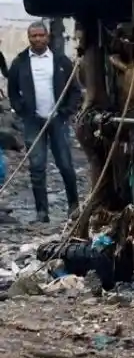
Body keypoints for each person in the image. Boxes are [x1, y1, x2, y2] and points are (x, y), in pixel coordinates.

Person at [6, 21, 81, 223]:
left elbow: (75, 90)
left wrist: (66, 111)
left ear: (47, 37)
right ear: (29, 38)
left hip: (57, 121)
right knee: (37, 167)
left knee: (65, 164)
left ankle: (74, 206)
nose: (37, 39)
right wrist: (21, 109)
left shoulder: (60, 60)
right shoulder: (20, 62)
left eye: (41, 35)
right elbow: (12, 91)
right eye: (33, 36)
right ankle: (42, 213)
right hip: (33, 121)